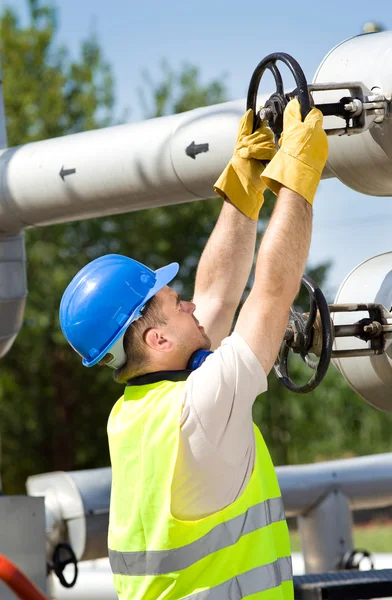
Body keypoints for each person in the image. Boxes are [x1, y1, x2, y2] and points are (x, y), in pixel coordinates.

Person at [60, 98, 328, 600]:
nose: (188, 306)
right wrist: (299, 177)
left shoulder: (134, 414)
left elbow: (216, 297)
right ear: (155, 339)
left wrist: (244, 187)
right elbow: (270, 293)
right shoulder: (198, 409)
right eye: (173, 302)